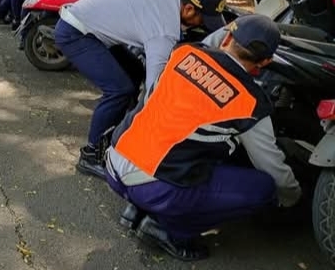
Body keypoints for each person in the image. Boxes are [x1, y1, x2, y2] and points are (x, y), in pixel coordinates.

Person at [106, 14, 301, 261]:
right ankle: (171, 230)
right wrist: (292, 196)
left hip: (115, 161)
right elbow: (270, 164)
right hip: (153, 185)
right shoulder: (250, 104)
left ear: (227, 38)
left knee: (189, 141)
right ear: (265, 61)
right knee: (263, 188)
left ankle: (138, 208)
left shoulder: (184, 52)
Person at [55, 0, 228, 178]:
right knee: (119, 90)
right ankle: (91, 155)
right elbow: (154, 90)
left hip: (90, 25)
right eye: (203, 20)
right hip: (76, 33)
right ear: (189, 9)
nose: (202, 25)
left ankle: (118, 131)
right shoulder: (163, 32)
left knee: (135, 72)